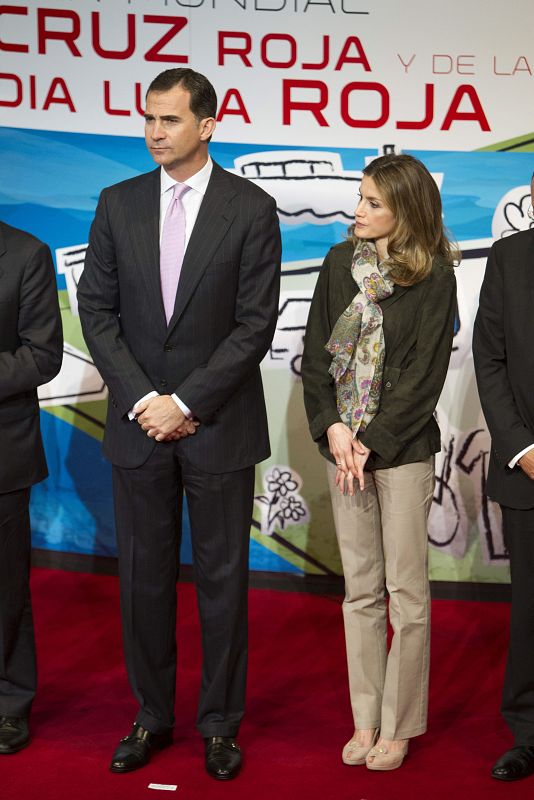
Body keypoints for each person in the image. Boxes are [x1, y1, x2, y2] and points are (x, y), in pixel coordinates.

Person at [77, 68, 281, 781]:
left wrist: (186, 403)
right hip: (139, 425)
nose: (155, 133)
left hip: (217, 426)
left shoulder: (251, 207)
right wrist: (144, 401)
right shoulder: (117, 203)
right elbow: (95, 311)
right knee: (143, 580)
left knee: (223, 580)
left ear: (208, 124)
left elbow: (255, 324)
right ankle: (150, 716)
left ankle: (220, 725)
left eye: (169, 120)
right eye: (149, 120)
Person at [301, 154, 456, 771]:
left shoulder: (434, 274)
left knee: (405, 593)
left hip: (401, 450)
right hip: (343, 451)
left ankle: (399, 725)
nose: (357, 211)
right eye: (359, 199)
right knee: (360, 591)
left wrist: (373, 441)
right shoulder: (341, 264)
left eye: (372, 203)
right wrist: (334, 428)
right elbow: (317, 358)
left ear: (407, 212)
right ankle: (365, 720)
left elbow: (425, 376)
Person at [473, 173, 534, 783]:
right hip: (530, 470)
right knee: (530, 607)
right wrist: (521, 447)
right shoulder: (510, 257)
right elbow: (489, 359)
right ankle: (529, 731)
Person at [0, 222, 63, 754]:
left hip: (2, 452)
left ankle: (10, 702)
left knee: (5, 588)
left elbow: (42, 354)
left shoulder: (26, 252)